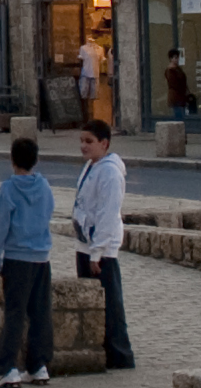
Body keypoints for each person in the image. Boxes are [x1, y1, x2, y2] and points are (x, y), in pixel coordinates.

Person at [0, 133, 55, 386]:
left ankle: (6, 368)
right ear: (35, 160)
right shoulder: (44, 186)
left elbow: (0, 226)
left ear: (13, 161)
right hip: (41, 257)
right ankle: (38, 365)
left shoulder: (9, 189)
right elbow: (48, 214)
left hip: (16, 257)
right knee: (40, 313)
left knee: (15, 313)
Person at [74, 117, 134, 370]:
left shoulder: (109, 172)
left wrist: (97, 252)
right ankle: (102, 350)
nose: (84, 146)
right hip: (85, 244)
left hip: (100, 249)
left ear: (104, 143)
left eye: (89, 141)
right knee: (94, 302)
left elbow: (108, 214)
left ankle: (119, 355)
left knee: (110, 303)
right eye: (81, 141)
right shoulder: (91, 166)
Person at [76, 33, 105, 120]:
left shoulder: (100, 49)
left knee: (94, 95)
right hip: (85, 73)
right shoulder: (83, 48)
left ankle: (91, 116)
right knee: (83, 93)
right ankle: (86, 116)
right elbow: (81, 57)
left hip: (96, 73)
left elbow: (102, 59)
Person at [164, 50, 189, 119]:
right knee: (179, 116)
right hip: (176, 97)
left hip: (181, 96)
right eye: (175, 58)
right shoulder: (170, 70)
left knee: (182, 116)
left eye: (177, 57)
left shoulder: (178, 68)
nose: (177, 59)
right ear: (170, 59)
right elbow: (174, 83)